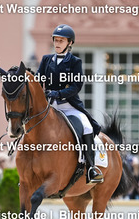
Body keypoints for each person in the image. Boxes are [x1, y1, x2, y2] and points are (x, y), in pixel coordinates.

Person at [36, 24, 103, 184]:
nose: (57, 43)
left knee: (87, 126)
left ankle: (91, 168)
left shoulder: (75, 62)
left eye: (61, 41)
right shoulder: (46, 60)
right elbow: (39, 79)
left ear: (69, 43)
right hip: (49, 107)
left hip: (69, 106)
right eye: (56, 40)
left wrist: (58, 93)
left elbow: (76, 86)